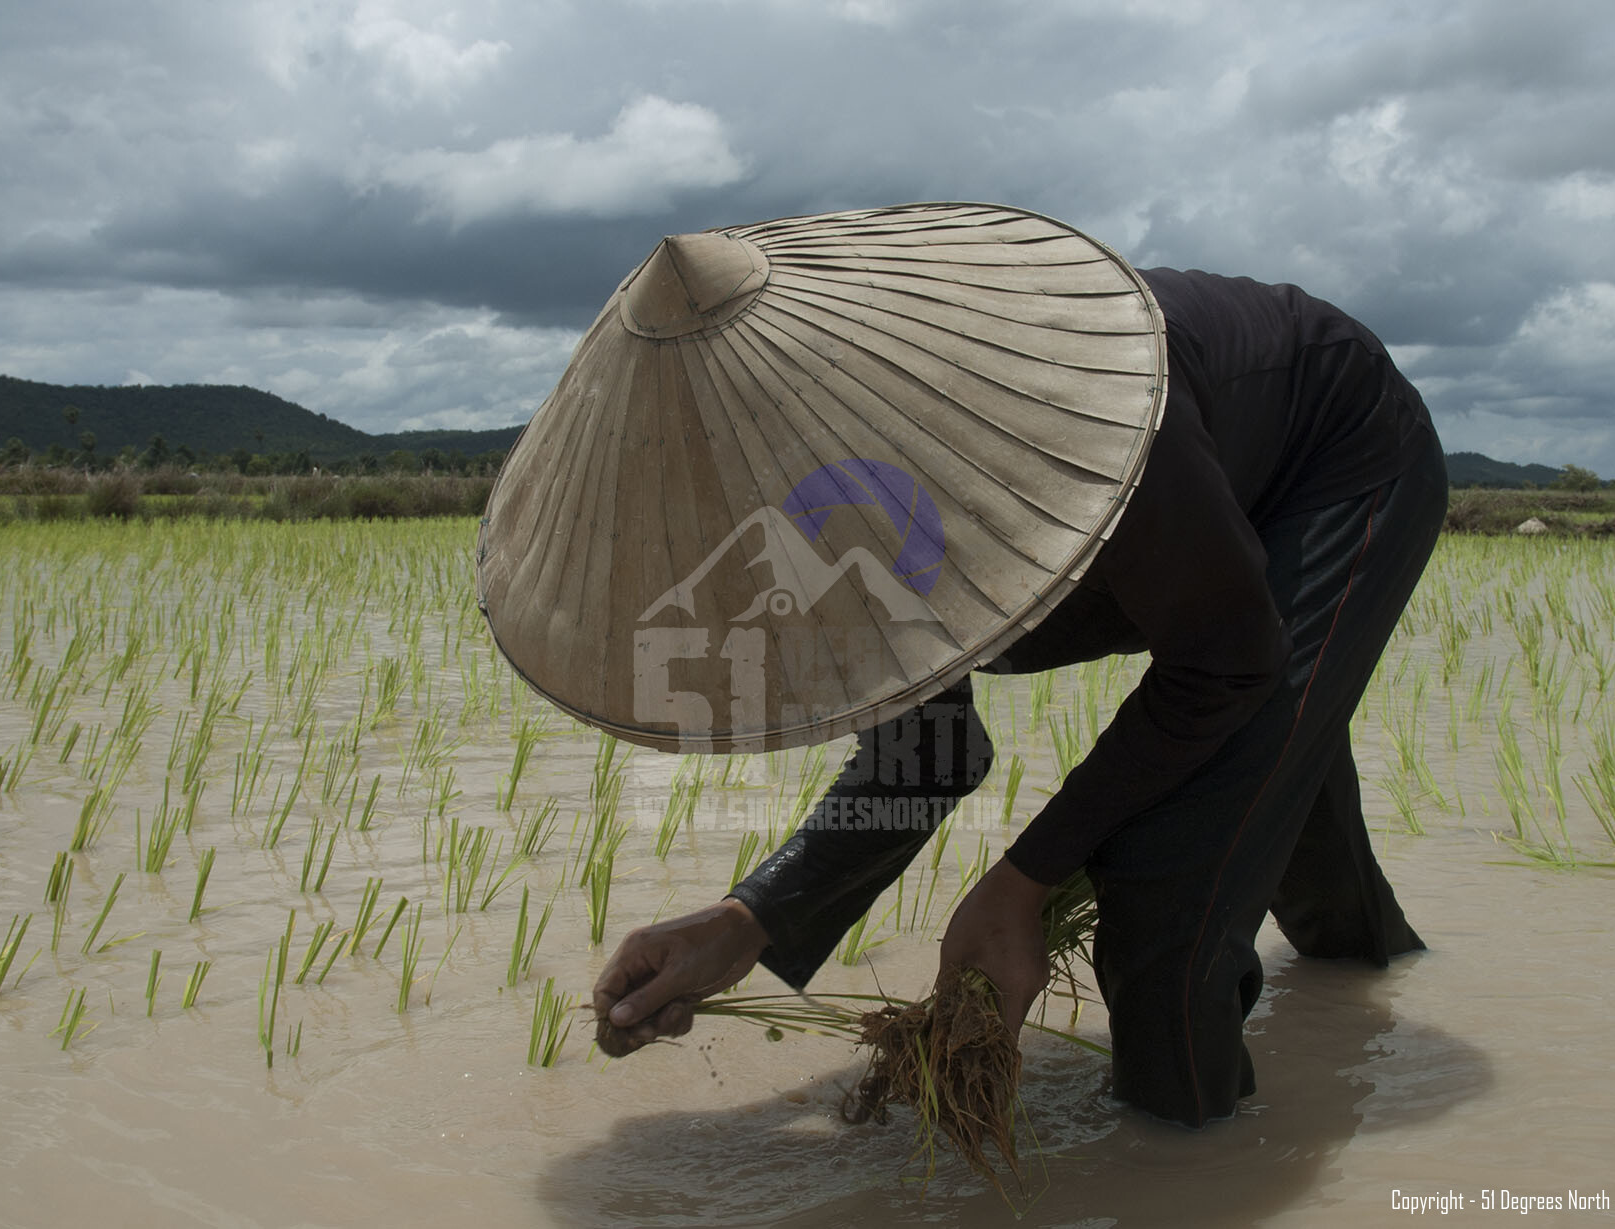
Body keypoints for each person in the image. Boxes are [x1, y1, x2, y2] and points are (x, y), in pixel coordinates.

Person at [587, 253, 1446, 1129]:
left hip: (1332, 460)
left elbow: (1227, 662)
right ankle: (1369, 987)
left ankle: (1180, 1159)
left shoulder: (1080, 408)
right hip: (1204, 526)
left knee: (1167, 878)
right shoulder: (819, 521)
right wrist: (746, 918)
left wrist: (1024, 881)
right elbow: (925, 756)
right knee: (1265, 770)